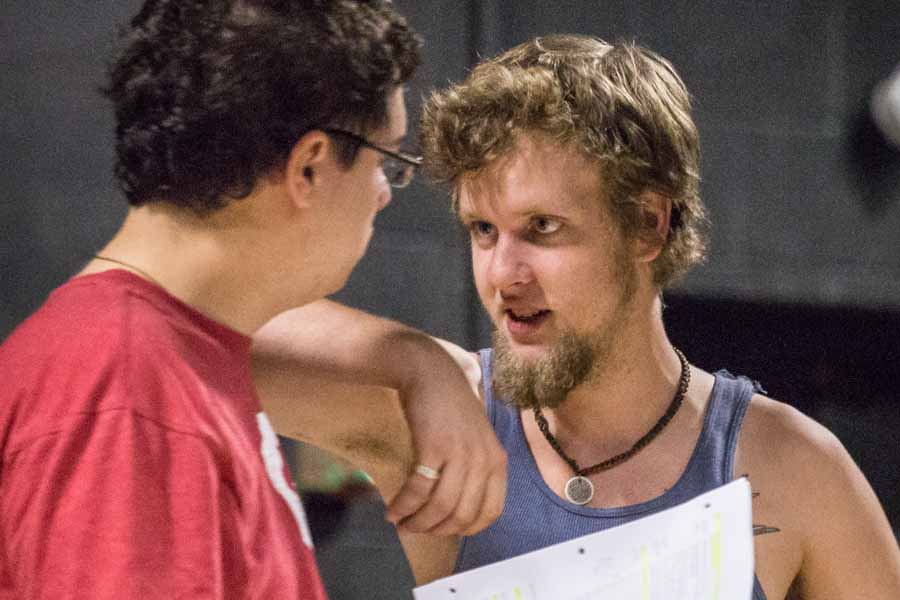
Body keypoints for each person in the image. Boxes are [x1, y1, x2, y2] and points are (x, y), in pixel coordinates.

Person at [252, 35, 900, 598]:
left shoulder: (795, 468)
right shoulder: (447, 416)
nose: (503, 273)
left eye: (542, 227)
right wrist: (413, 362)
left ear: (647, 224)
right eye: (483, 229)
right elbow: (195, 332)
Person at [0, 1, 507, 598]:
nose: (383, 196)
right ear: (311, 168)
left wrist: (422, 366)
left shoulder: (159, 356)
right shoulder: (128, 396)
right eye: (387, 163)